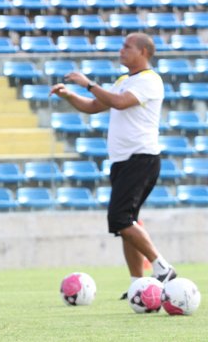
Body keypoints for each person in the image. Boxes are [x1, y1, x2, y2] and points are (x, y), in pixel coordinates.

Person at [50, 32, 177, 299]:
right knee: (127, 223)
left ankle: (162, 269)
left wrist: (87, 83)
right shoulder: (124, 80)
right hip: (123, 162)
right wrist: (69, 95)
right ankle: (137, 284)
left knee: (120, 219)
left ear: (142, 52)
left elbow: (118, 102)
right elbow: (96, 105)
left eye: (126, 46)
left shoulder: (150, 81)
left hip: (141, 159)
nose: (120, 50)